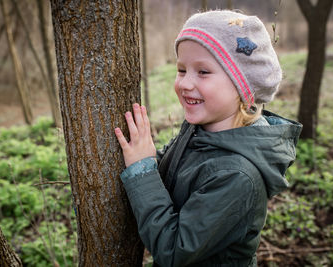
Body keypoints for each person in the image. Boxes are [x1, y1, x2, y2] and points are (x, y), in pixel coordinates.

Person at [114, 10, 302, 267]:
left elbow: (173, 251)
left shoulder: (237, 176)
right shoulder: (199, 129)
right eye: (181, 70)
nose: (185, 83)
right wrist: (147, 159)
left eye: (203, 72)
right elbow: (175, 175)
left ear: (242, 87)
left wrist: (141, 171)